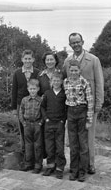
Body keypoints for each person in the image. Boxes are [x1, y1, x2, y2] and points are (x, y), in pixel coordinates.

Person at [63, 32, 104, 175]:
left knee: (89, 136)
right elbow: (64, 83)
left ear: (83, 41)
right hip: (74, 107)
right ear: (70, 45)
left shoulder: (93, 60)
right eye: (73, 43)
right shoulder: (67, 61)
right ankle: (76, 165)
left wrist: (99, 103)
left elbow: (99, 82)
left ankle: (90, 164)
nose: (76, 45)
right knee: (74, 139)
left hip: (89, 105)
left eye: (78, 42)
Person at [63, 59, 94, 182]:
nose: (74, 72)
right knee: (73, 144)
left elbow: (90, 101)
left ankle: (82, 171)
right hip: (71, 112)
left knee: (83, 144)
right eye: (71, 70)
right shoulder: (65, 82)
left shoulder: (84, 82)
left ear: (79, 70)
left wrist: (89, 119)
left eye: (76, 70)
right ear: (69, 71)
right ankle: (74, 170)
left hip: (82, 112)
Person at [11, 50, 40, 157]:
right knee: (23, 129)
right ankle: (25, 155)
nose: (27, 61)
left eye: (29, 58)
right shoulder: (17, 73)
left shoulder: (37, 72)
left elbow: (39, 90)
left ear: (33, 59)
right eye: (25, 59)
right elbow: (14, 90)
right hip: (21, 105)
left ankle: (36, 156)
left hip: (34, 104)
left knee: (35, 131)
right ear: (22, 59)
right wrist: (14, 107)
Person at [40, 72, 67, 179]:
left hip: (59, 124)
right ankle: (50, 166)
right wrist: (45, 118)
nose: (56, 82)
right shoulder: (47, 93)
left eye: (58, 81)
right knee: (49, 147)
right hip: (48, 123)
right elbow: (42, 107)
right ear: (51, 82)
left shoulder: (64, 94)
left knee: (59, 147)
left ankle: (60, 168)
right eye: (54, 81)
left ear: (61, 82)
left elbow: (67, 109)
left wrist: (62, 121)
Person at [18, 79, 43, 173]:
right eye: (31, 89)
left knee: (38, 145)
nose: (32, 90)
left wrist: (41, 122)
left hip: (37, 124)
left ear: (38, 89)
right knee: (28, 145)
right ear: (28, 89)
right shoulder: (24, 100)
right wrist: (23, 122)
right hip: (27, 125)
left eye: (34, 89)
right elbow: (21, 112)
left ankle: (38, 165)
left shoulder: (40, 100)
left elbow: (43, 112)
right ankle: (29, 164)